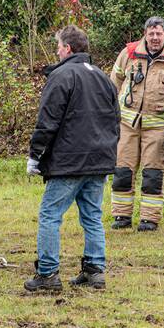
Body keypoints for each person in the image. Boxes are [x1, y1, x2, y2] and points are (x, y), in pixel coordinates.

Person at [25, 26, 120, 292]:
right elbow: (116, 120)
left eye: (58, 46)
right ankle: (94, 270)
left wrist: (35, 155)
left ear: (67, 48)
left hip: (69, 161)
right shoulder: (103, 77)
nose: (56, 51)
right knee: (92, 216)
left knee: (50, 215)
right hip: (99, 159)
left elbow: (48, 120)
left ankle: (47, 273)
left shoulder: (61, 76)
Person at [109, 16, 164, 231]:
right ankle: (121, 216)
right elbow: (115, 81)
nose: (155, 37)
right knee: (122, 171)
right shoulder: (128, 53)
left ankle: (149, 219)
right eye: (151, 33)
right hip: (127, 124)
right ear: (145, 34)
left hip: (158, 127)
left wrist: (163, 102)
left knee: (152, 174)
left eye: (159, 33)